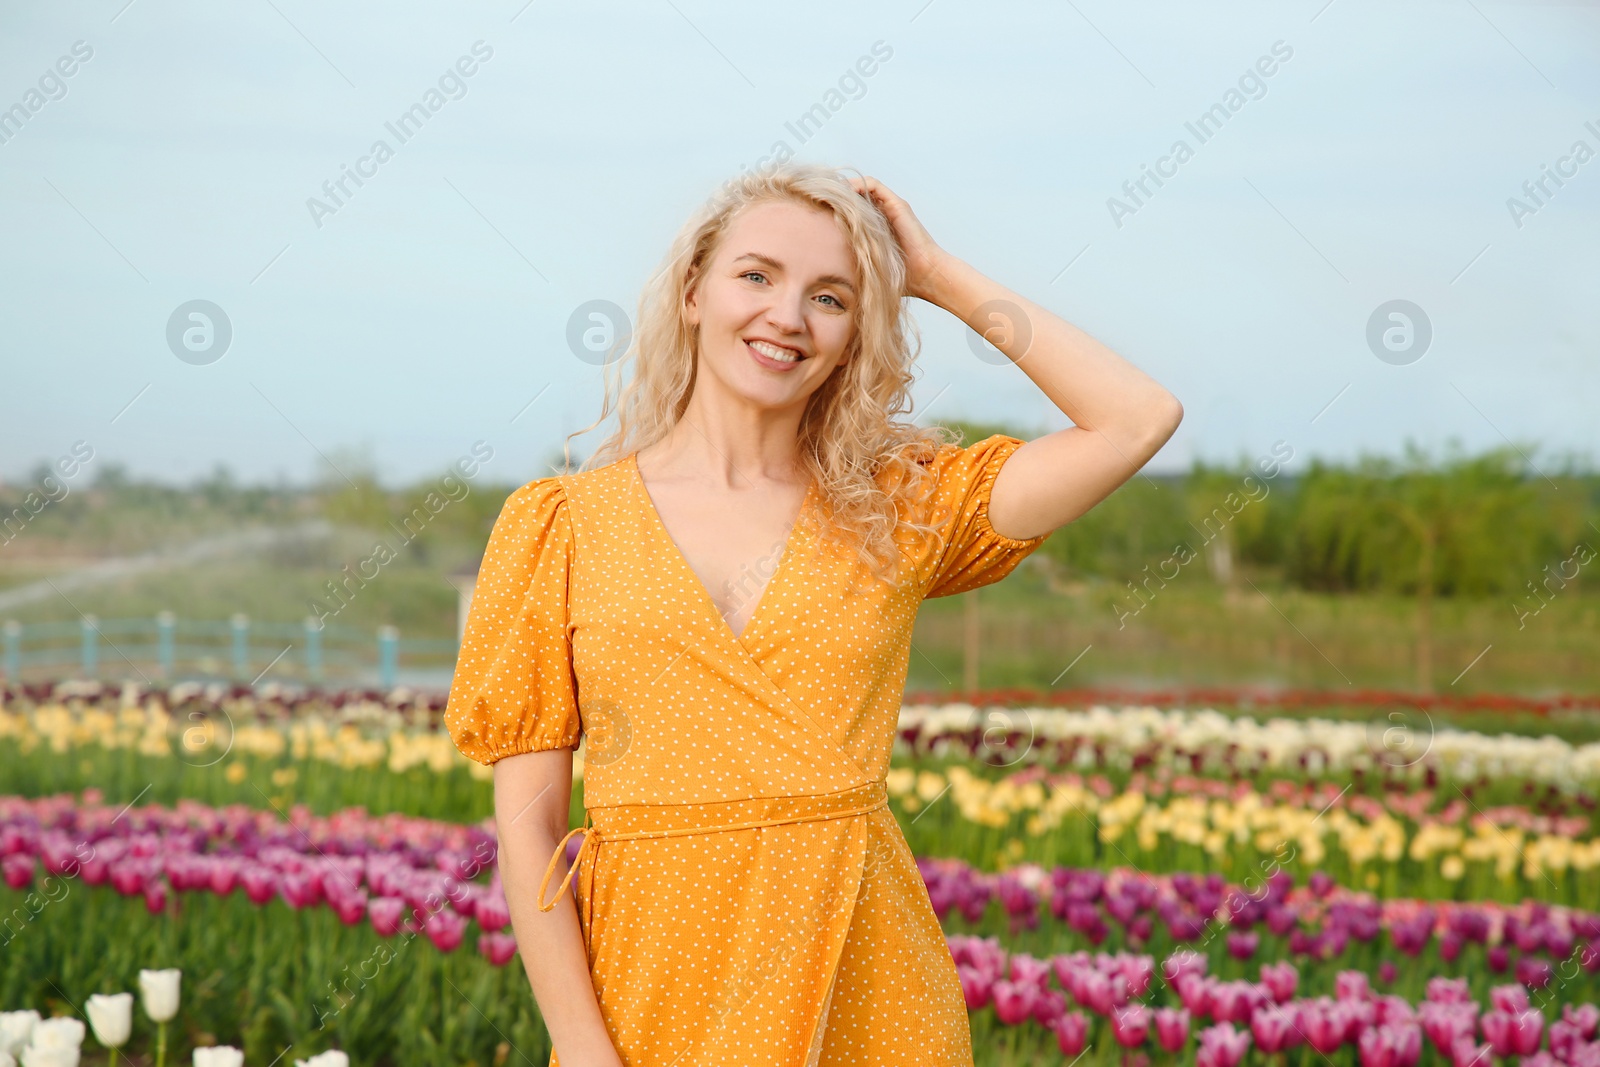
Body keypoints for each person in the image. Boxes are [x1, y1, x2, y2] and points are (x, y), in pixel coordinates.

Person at [444, 162, 1182, 1066]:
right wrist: (583, 1046)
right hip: (650, 993)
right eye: (756, 275)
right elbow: (530, 826)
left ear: (854, 336)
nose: (787, 316)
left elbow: (1136, 418)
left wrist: (938, 275)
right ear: (691, 292)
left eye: (830, 296)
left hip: (867, 992)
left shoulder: (898, 507)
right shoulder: (559, 525)